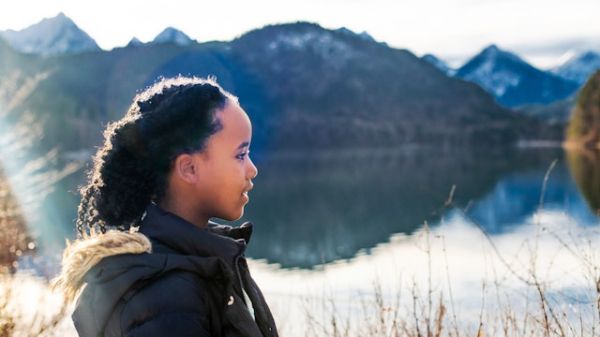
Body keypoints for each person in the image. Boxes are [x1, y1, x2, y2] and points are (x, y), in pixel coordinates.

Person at [52, 76, 279, 337]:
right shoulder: (167, 300)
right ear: (189, 168)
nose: (252, 170)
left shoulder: (208, 260)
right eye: (240, 155)